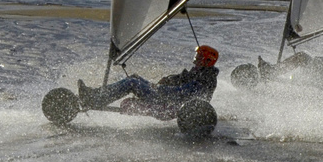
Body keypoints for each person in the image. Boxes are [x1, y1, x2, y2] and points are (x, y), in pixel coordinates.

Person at [79, 45, 219, 113]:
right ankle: (96, 93)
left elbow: (183, 93)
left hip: (171, 103)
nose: (195, 60)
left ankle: (95, 100)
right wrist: (168, 80)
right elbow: (179, 81)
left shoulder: (205, 79)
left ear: (208, 61)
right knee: (135, 77)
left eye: (199, 57)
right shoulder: (199, 72)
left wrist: (158, 88)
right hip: (168, 97)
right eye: (196, 56)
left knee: (132, 83)